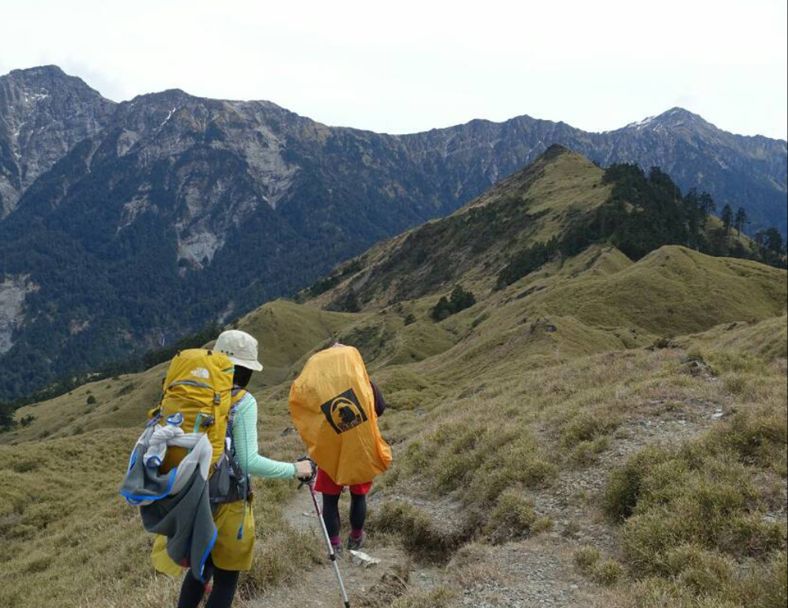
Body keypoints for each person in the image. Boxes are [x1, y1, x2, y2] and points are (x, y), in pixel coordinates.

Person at [178, 329, 313, 608]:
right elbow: (249, 462)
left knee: (198, 572)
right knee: (226, 579)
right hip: (228, 504)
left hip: (191, 496)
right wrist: (295, 469)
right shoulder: (244, 402)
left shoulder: (194, 391)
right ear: (245, 370)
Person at [315, 381, 387, 553]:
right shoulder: (364, 382)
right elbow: (380, 408)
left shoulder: (323, 386)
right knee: (358, 495)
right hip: (360, 448)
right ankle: (356, 538)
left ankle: (334, 545)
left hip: (330, 450)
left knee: (330, 500)